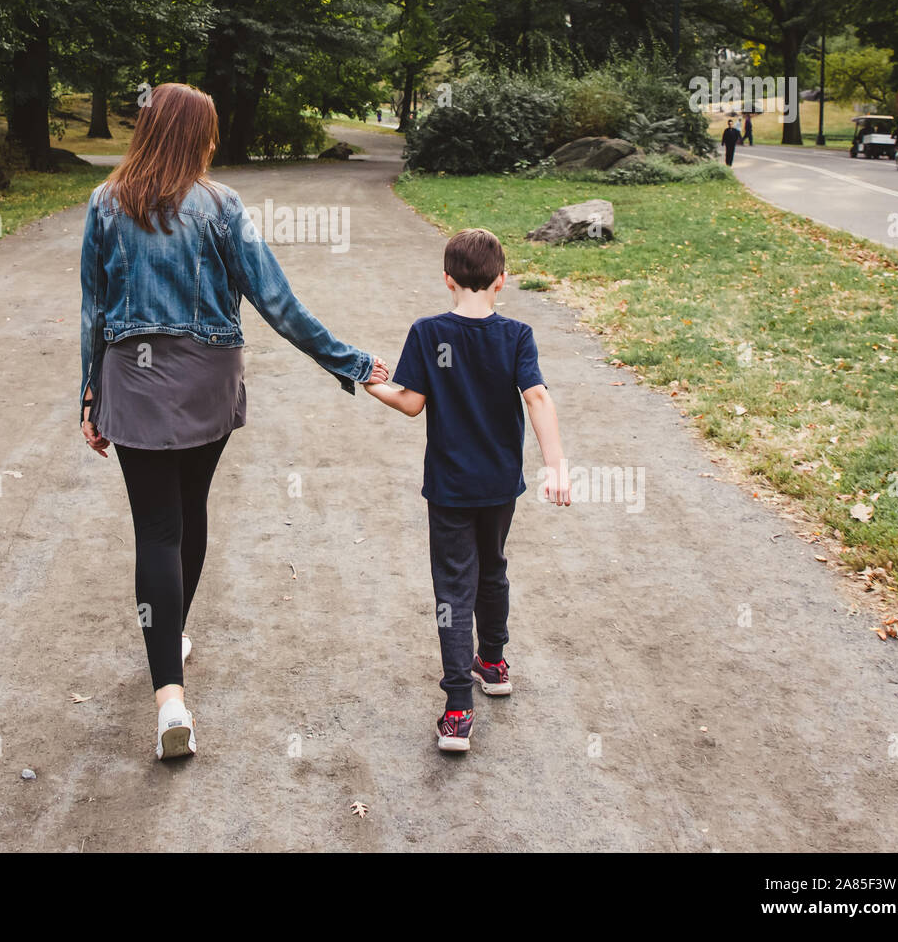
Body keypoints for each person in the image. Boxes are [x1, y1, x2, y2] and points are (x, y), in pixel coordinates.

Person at [80, 82, 387, 760]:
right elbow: (277, 300)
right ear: (198, 135)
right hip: (206, 382)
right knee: (190, 511)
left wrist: (88, 395)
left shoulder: (105, 203)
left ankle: (169, 697)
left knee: (157, 529)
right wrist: (352, 362)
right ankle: (173, 636)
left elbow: (92, 311)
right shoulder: (222, 206)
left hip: (132, 381)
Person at [362, 228, 569, 753]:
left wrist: (369, 383)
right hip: (500, 485)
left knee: (453, 589)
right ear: (503, 280)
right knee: (493, 566)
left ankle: (458, 709)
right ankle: (494, 663)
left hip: (450, 487)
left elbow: (410, 403)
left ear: (447, 279)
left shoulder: (429, 332)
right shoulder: (517, 335)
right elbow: (538, 398)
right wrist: (556, 466)